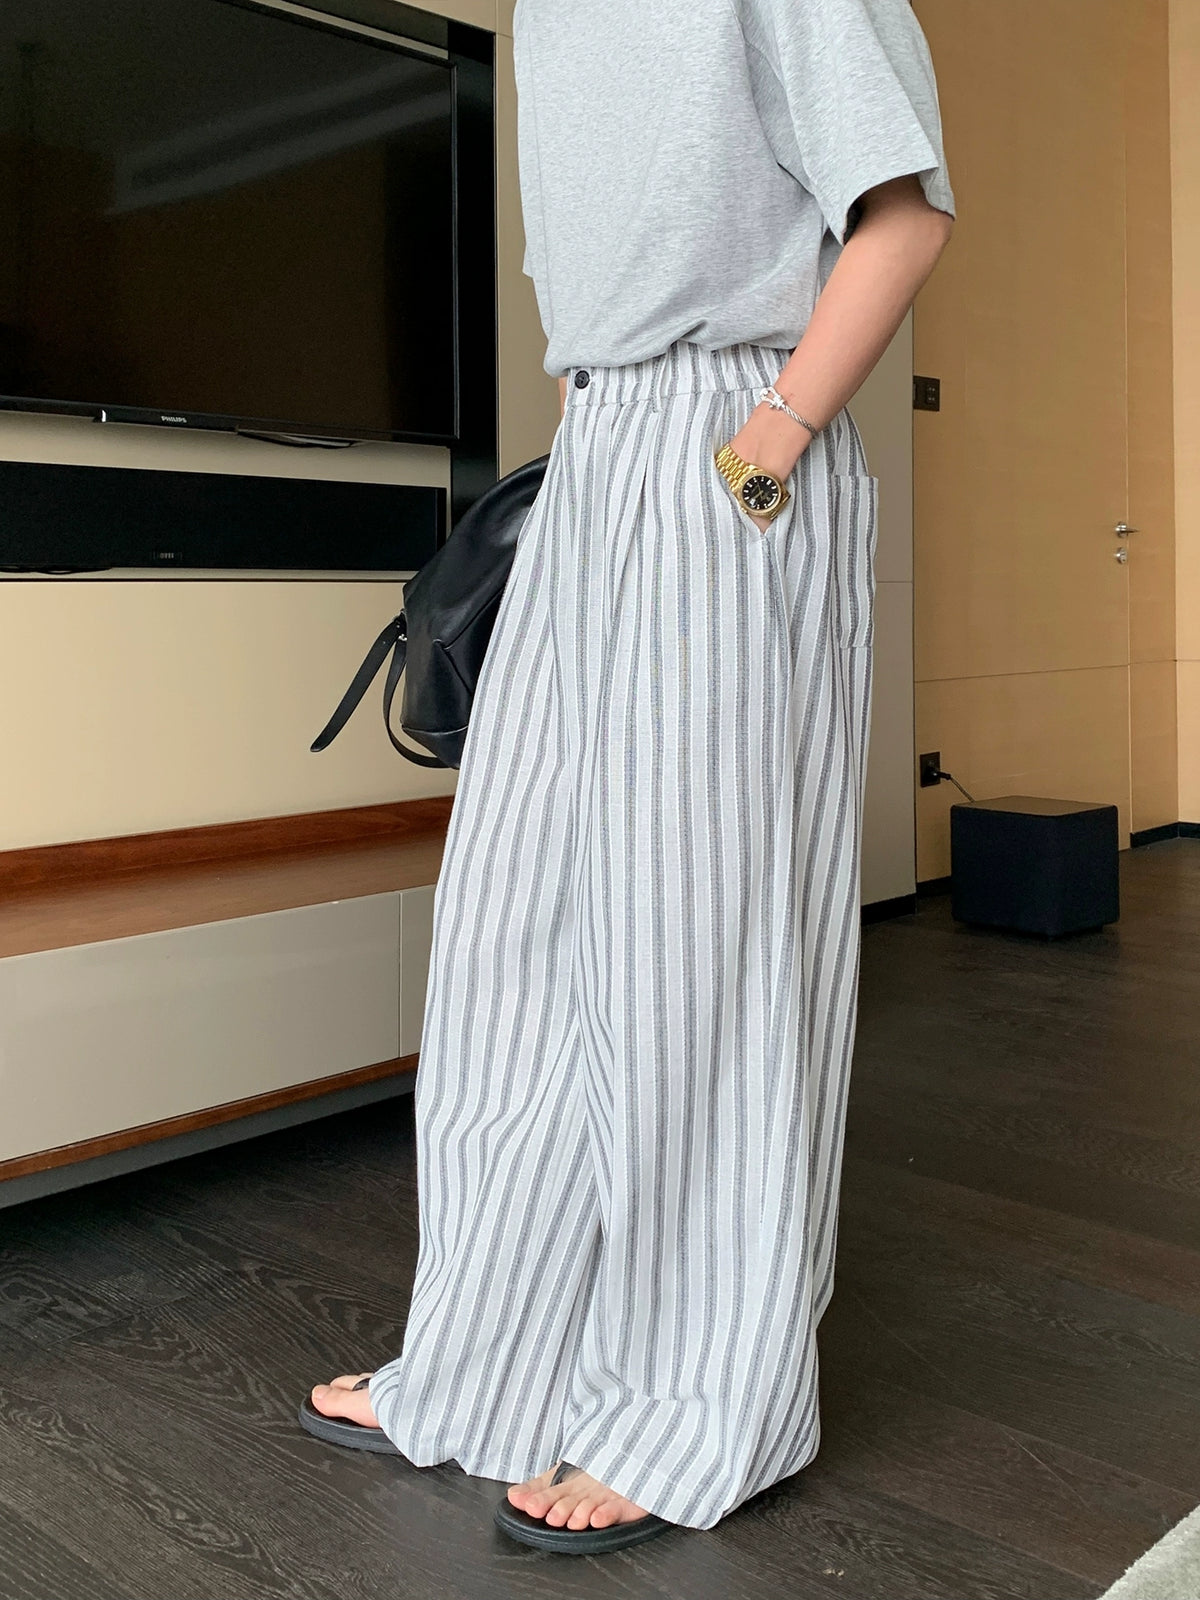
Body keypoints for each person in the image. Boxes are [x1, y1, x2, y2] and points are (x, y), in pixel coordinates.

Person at [299, 0, 955, 1556]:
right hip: (595, 453)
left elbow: (904, 214)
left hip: (731, 439)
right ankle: (492, 1360)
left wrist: (766, 445)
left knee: (694, 954)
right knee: (511, 939)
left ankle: (695, 1397)